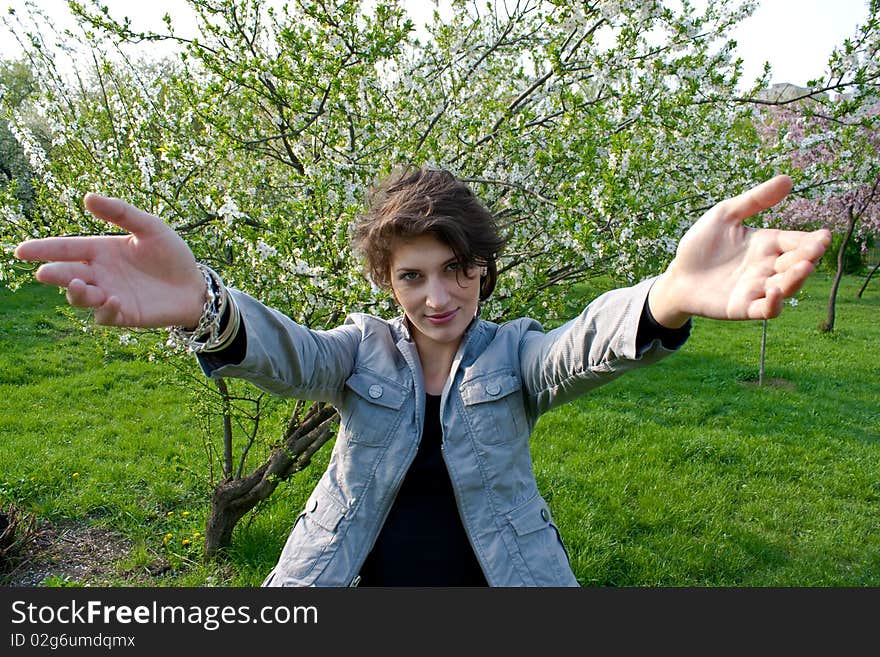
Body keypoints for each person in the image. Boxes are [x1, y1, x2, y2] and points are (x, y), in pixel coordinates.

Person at [13, 167, 830, 587]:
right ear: (387, 282)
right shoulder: (359, 350)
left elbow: (583, 345)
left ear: (482, 270)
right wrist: (204, 301)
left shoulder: (516, 358)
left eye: (455, 270)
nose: (436, 296)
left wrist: (670, 295)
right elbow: (290, 352)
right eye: (412, 276)